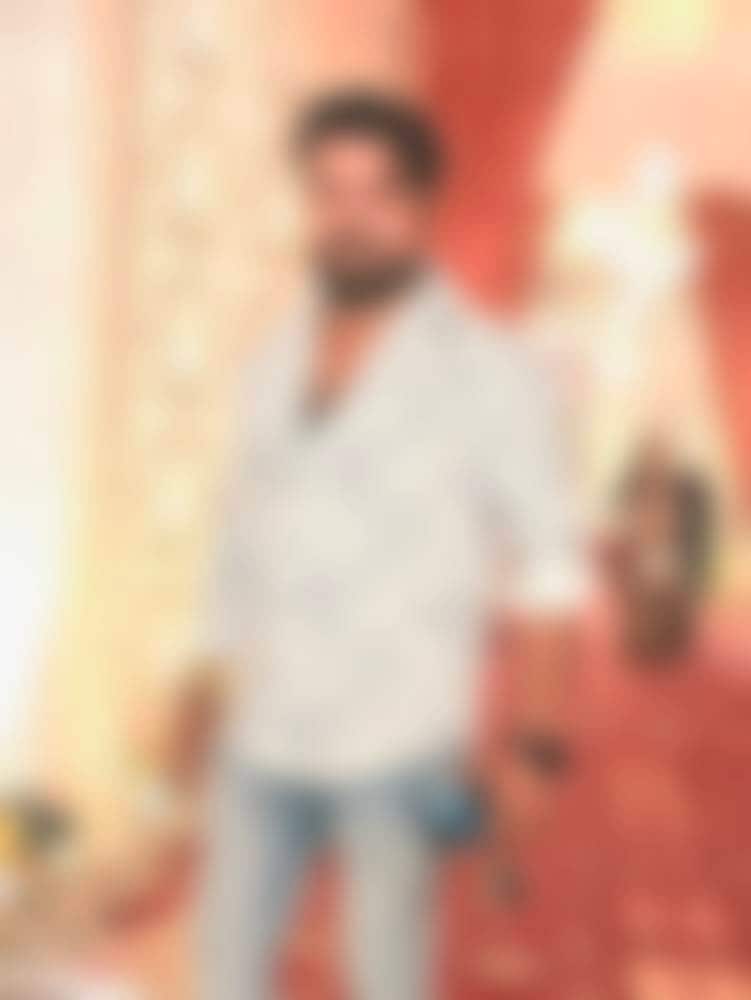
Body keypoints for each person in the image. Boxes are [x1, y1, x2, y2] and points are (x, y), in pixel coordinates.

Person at [197, 89, 582, 1000]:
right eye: (330, 192)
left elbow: (550, 566)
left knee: (384, 980)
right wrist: (199, 680)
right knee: (222, 973)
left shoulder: (490, 371)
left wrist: (535, 745)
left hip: (396, 739)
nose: (351, 219)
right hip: (264, 728)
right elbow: (241, 538)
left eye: (378, 194)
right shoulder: (271, 360)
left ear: (421, 208)